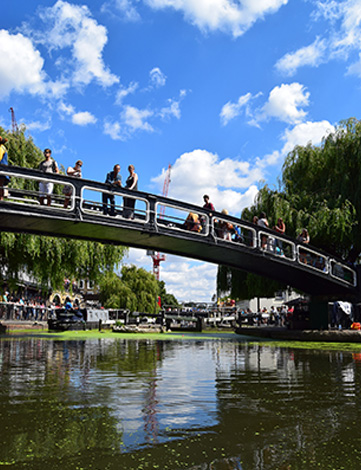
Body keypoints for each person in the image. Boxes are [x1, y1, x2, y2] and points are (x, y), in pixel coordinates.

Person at [0, 136, 9, 201]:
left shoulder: (1, 148)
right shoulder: (3, 147)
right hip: (3, 169)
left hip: (1, 169)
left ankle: (1, 199)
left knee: (0, 185)